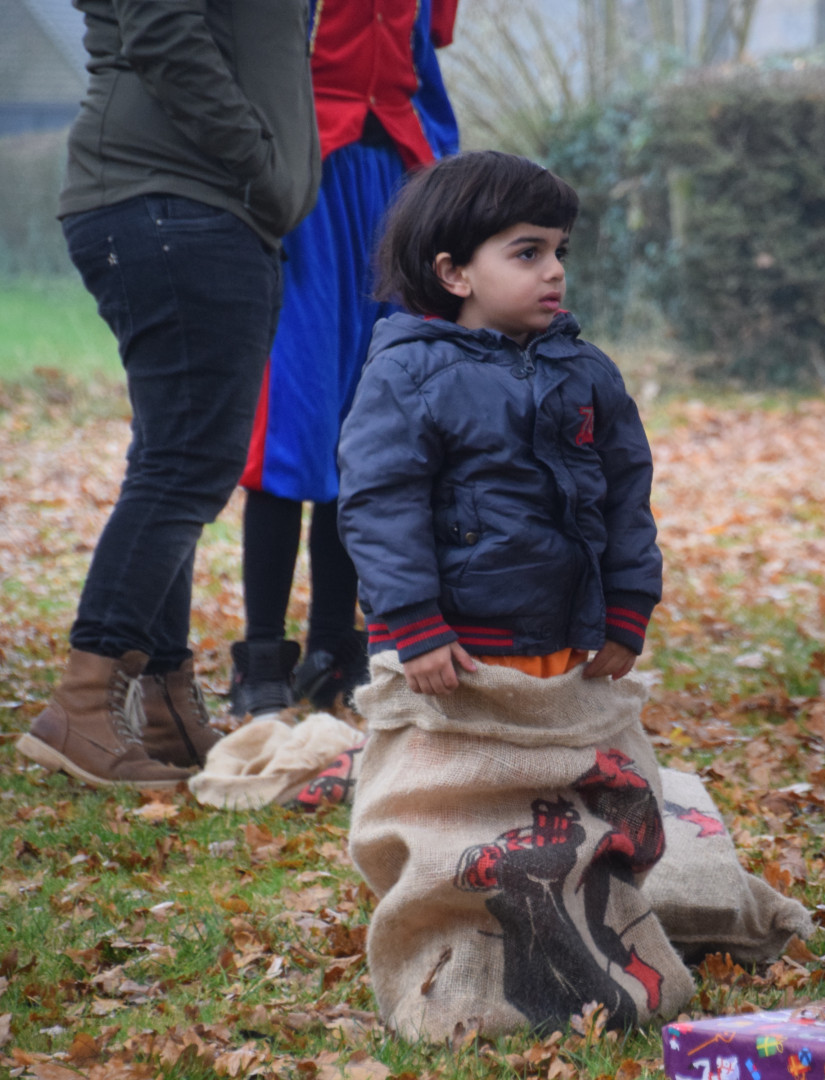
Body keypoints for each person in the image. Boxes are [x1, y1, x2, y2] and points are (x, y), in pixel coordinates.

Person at [19, 0, 318, 788]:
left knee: (174, 455)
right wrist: (257, 161)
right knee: (186, 462)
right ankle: (84, 702)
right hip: (179, 196)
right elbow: (161, 27)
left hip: (193, 201)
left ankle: (165, 700)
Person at [338, 151, 660, 698]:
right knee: (445, 758)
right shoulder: (409, 373)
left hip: (564, 642)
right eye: (528, 253)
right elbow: (380, 503)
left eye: (559, 250)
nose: (554, 269)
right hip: (447, 651)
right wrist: (413, 622)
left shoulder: (587, 372)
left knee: (559, 752)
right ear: (454, 273)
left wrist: (629, 603)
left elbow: (627, 493)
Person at [229, 0, 461, 719]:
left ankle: (335, 645)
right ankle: (261, 656)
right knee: (293, 418)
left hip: (395, 186)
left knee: (371, 421)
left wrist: (441, 186)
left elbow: (423, 62)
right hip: (303, 180)